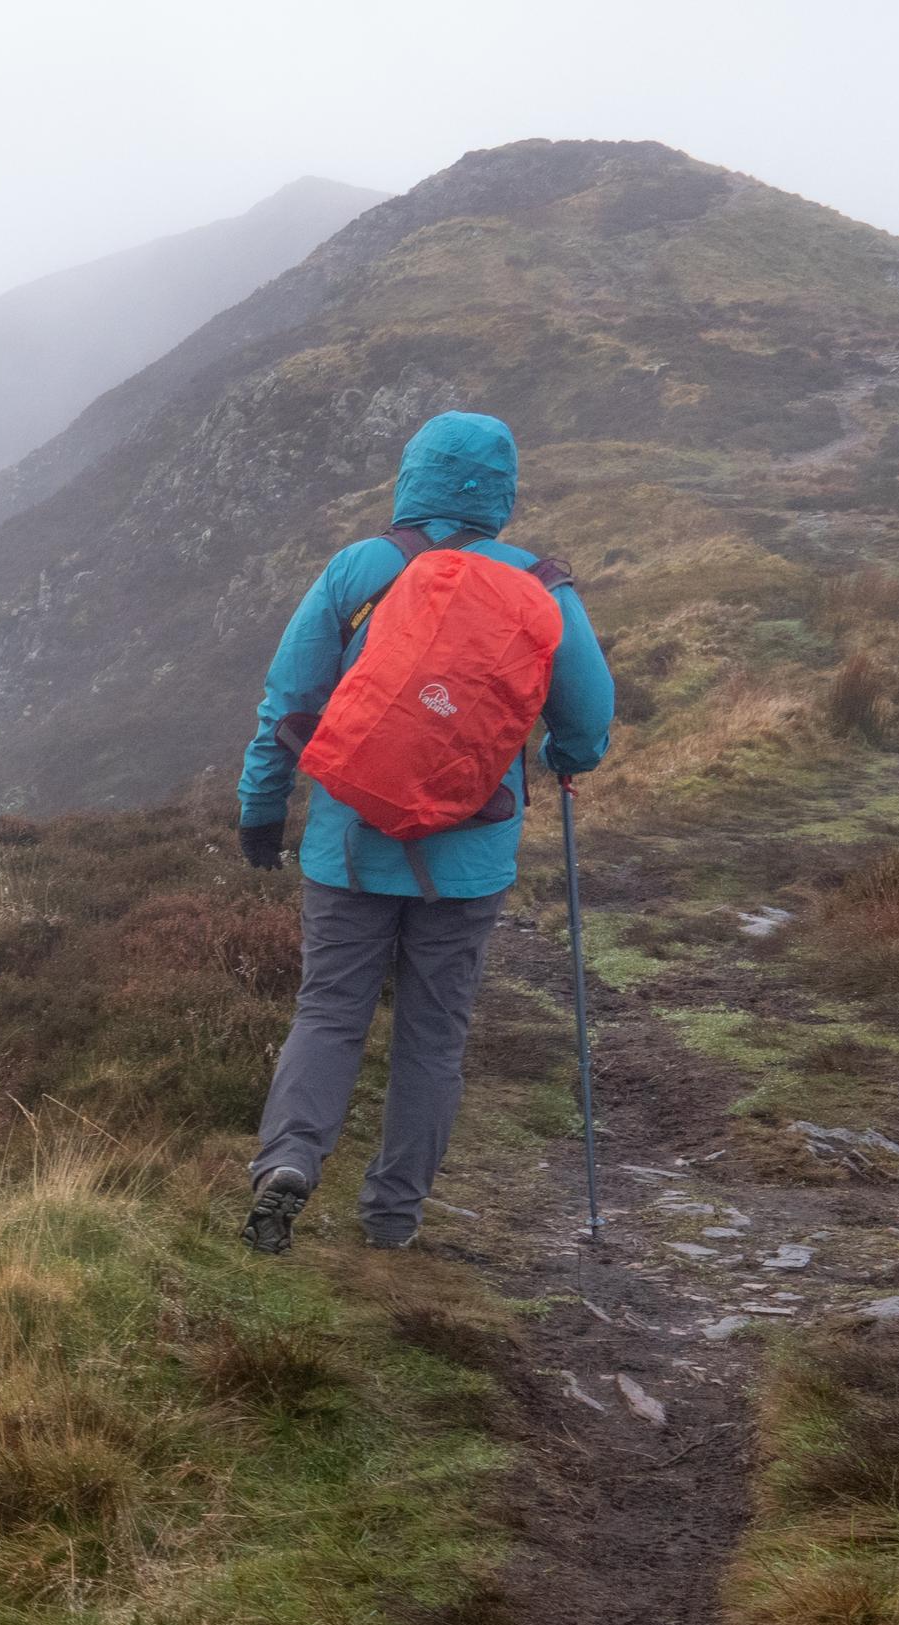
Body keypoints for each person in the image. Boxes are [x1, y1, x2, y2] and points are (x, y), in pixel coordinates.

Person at [236, 410, 615, 1254]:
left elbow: (284, 707)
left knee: (330, 1009)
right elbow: (586, 721)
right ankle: (392, 1217)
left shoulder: (361, 568)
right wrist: (561, 753)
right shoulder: (542, 587)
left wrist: (260, 812)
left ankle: (288, 1163)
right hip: (467, 860)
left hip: (348, 844)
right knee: (432, 1033)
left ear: (412, 476)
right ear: (503, 492)